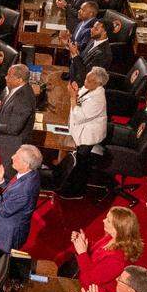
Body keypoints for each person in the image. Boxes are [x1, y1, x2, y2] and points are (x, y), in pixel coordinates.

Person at [72, 208, 145, 292]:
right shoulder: (113, 238)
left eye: (108, 220)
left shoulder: (117, 260)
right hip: (84, 280)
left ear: (117, 229)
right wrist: (83, 242)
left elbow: (90, 281)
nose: (103, 220)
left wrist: (82, 253)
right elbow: (97, 253)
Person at [60, 66, 109, 199]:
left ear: (98, 83)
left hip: (89, 136)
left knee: (82, 163)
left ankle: (78, 191)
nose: (85, 82)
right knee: (80, 161)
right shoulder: (90, 88)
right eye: (86, 78)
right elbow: (80, 95)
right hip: (82, 130)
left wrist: (72, 97)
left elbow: (80, 115)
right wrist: (75, 92)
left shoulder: (98, 98)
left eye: (89, 80)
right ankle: (72, 181)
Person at [68, 20, 111, 85]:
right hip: (73, 76)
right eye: (93, 27)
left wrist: (74, 54)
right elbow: (82, 60)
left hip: (81, 85)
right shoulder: (93, 39)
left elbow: (85, 75)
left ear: (104, 32)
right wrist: (75, 51)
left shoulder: (104, 54)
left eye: (96, 29)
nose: (91, 30)